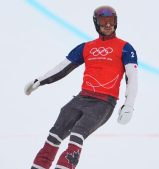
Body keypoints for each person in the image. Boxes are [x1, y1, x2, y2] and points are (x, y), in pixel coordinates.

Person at [24, 5, 138, 169]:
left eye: (111, 21)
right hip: (81, 98)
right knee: (54, 135)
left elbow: (132, 77)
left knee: (77, 134)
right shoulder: (86, 47)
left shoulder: (126, 48)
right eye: (103, 21)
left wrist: (129, 104)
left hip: (103, 103)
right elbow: (63, 67)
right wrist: (40, 80)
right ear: (96, 23)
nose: (108, 25)